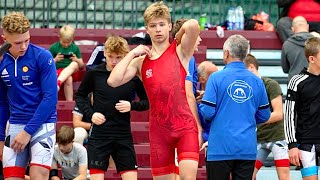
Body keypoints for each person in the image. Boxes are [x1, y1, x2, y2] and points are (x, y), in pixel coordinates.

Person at [107, 2, 201, 179]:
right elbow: (113, 81)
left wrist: (177, 37)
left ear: (169, 27)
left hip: (185, 128)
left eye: (162, 25)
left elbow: (193, 25)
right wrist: (132, 54)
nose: (158, 30)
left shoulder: (180, 51)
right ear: (146, 29)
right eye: (153, 26)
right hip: (159, 133)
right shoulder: (142, 61)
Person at [75, 35, 149, 180]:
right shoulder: (95, 73)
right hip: (99, 135)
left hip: (123, 134)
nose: (114, 61)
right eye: (110, 57)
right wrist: (91, 114)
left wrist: (131, 105)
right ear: (104, 54)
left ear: (126, 56)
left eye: (119, 57)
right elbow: (80, 95)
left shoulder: (132, 75)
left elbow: (147, 101)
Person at [199, 35, 271, 180]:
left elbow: (207, 112)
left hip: (220, 147)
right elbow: (265, 115)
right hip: (247, 148)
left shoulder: (216, 78)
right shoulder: (257, 81)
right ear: (245, 54)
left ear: (226, 53)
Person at [0, 12, 57, 179]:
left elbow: (50, 99)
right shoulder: (2, 61)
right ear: (5, 39)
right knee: (11, 177)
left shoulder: (43, 56)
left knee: (38, 175)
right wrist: (1, 139)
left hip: (43, 123)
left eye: (27, 40)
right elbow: (2, 103)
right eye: (17, 43)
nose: (23, 46)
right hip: (16, 123)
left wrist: (27, 132)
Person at [244, 54, 290, 180]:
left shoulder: (270, 84)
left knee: (284, 176)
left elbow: (278, 114)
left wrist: (252, 122)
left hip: (277, 137)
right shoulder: (246, 89)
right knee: (248, 175)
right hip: (259, 138)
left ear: (252, 67)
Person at [284, 36, 320, 180]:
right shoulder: (297, 81)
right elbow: (289, 116)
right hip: (306, 143)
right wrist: (292, 145)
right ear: (312, 59)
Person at [49, 25, 84, 101]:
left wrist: (76, 59)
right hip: (58, 71)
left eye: (68, 42)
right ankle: (70, 103)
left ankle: (58, 83)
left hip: (73, 71)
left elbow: (81, 66)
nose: (66, 45)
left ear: (72, 39)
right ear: (59, 38)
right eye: (64, 42)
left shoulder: (75, 48)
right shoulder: (54, 47)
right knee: (68, 78)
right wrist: (55, 60)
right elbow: (47, 64)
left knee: (75, 64)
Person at [281, 16, 314, 82]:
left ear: (292, 29)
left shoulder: (287, 44)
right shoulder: (316, 42)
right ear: (307, 26)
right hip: (314, 83)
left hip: (294, 83)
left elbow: (285, 69)